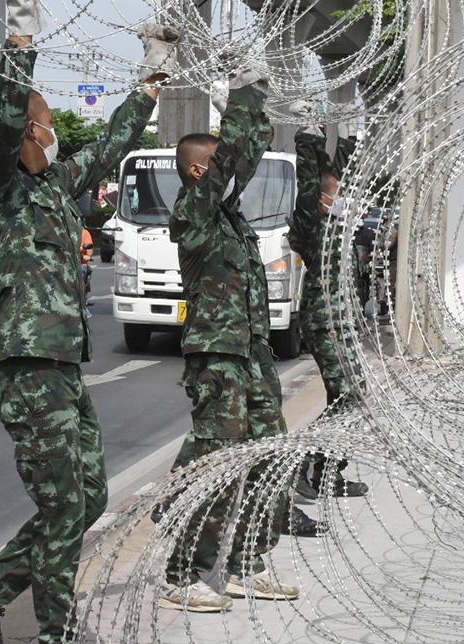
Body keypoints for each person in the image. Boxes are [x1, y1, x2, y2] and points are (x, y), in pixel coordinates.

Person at [0, 0, 176, 644]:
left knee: (86, 496)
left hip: (64, 366)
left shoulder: (53, 192)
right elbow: (1, 120)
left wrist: (151, 82)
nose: (51, 133)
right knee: (65, 506)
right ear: (25, 132)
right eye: (42, 124)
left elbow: (109, 144)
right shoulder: (0, 190)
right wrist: (20, 44)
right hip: (26, 366)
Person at [155, 67, 303, 614]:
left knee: (270, 455)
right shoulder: (193, 213)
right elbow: (235, 155)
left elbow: (247, 150)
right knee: (216, 465)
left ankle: (246, 562)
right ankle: (181, 570)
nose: (238, 172)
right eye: (222, 165)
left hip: (252, 354)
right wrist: (245, 93)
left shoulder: (232, 221)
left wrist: (258, 112)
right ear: (201, 170)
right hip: (217, 358)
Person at [285, 129, 370, 515]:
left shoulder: (336, 226)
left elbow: (338, 175)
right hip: (327, 323)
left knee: (353, 397)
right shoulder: (311, 224)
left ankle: (328, 472)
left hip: (343, 324)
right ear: (320, 199)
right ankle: (303, 461)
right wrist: (307, 141)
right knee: (349, 399)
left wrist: (351, 138)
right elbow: (310, 182)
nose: (344, 200)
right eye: (337, 195)